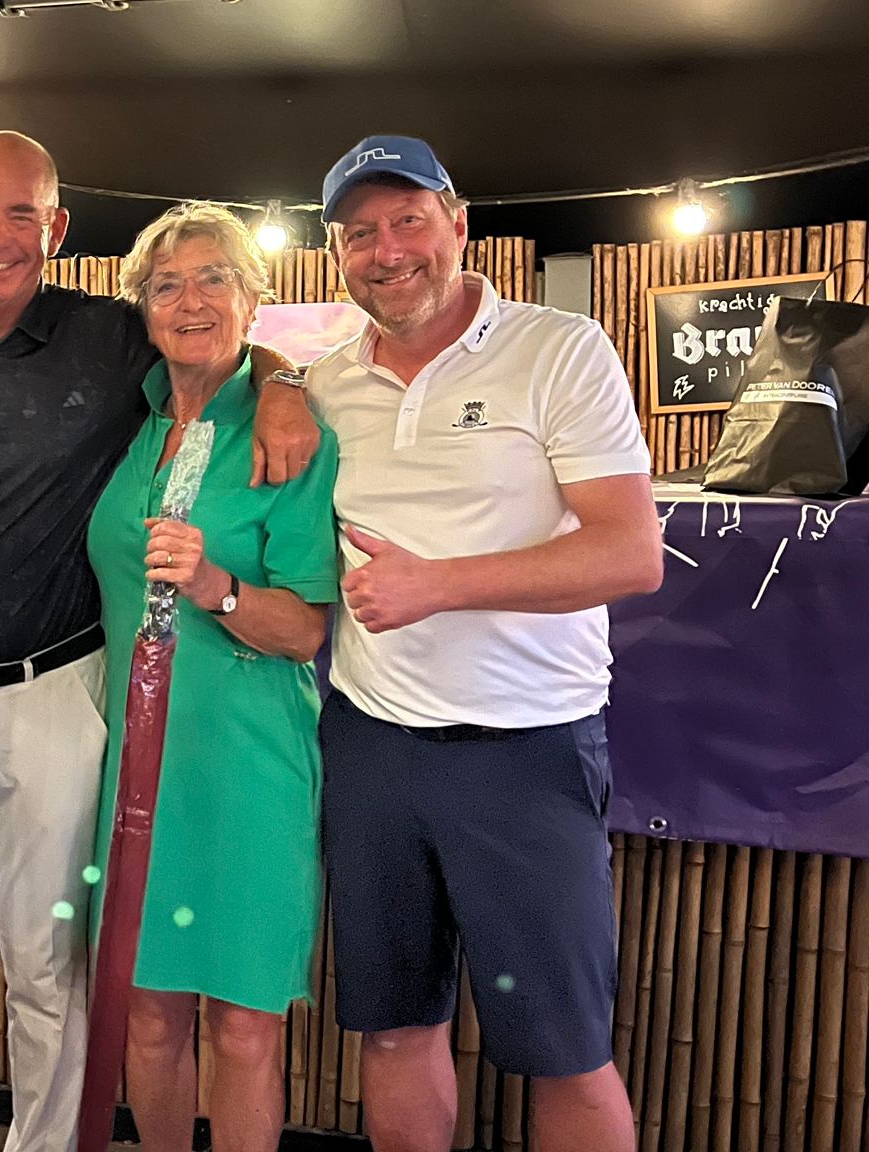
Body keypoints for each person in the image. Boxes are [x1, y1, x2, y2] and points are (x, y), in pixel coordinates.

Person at [0, 130, 319, 1152]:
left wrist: (285, 383)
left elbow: (219, 340)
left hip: (58, 690)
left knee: (51, 968)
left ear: (55, 228)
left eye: (21, 214)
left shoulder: (107, 335)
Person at [307, 136, 662, 1152]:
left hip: (528, 748)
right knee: (390, 1030)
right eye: (359, 232)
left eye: (408, 220)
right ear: (336, 252)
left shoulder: (560, 349)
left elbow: (630, 553)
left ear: (458, 225)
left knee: (564, 1052)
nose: (386, 250)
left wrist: (437, 585)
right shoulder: (324, 385)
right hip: (369, 746)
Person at [87, 204, 338, 1152]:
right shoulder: (127, 416)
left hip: (247, 765)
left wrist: (216, 586)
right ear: (142, 309)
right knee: (147, 1017)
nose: (190, 301)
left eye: (213, 279)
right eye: (167, 285)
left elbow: (306, 630)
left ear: (252, 297)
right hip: (130, 766)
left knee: (242, 1027)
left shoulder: (293, 438)